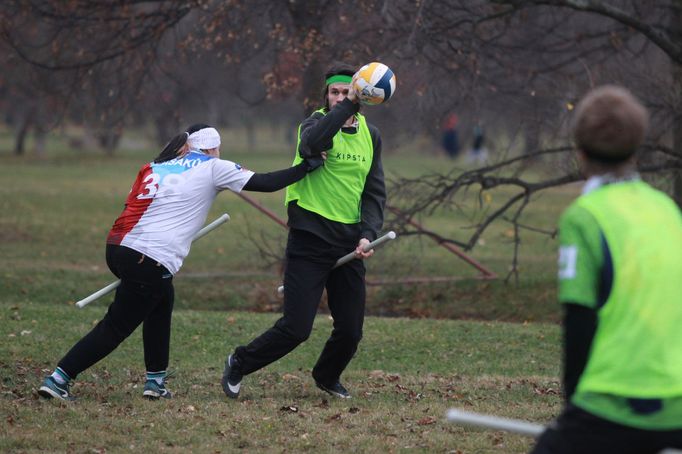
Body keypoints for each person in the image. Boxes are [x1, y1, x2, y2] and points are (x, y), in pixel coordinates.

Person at [37, 124, 323, 401]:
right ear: (213, 147)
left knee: (161, 301)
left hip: (117, 247)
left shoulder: (155, 166)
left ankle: (156, 382)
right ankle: (59, 379)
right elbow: (266, 182)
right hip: (150, 257)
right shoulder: (213, 167)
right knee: (116, 326)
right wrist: (306, 167)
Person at [531, 86, 682, 453]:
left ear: (579, 152)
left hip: (613, 401)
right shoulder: (667, 209)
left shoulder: (585, 217)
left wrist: (572, 415)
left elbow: (579, 321)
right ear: (637, 146)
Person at [221, 63, 387, 400]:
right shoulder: (314, 125)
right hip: (309, 240)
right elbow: (312, 145)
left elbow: (374, 192)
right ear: (327, 96)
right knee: (296, 329)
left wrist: (368, 233)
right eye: (335, 92)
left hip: (348, 243)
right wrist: (349, 104)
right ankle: (239, 361)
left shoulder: (372, 136)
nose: (341, 96)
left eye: (347, 92)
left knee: (351, 331)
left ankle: (326, 376)